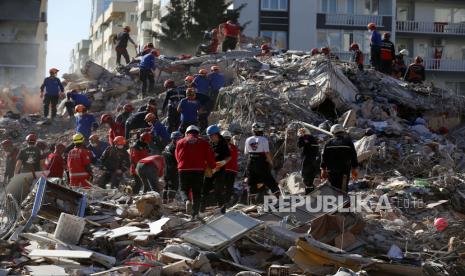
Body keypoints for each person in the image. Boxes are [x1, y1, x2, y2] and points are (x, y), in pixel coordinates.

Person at [175, 125, 216, 219]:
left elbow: (177, 156)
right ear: (198, 133)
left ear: (187, 133)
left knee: (183, 189)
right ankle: (195, 214)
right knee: (197, 192)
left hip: (183, 169)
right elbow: (210, 157)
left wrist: (181, 165)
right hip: (198, 170)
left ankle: (186, 201)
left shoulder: (180, 142)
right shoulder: (204, 142)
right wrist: (212, 166)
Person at [244, 123, 280, 203]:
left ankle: (252, 204)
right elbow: (267, 153)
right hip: (261, 162)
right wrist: (271, 163)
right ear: (261, 130)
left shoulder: (248, 139)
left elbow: (246, 153)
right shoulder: (263, 139)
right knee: (269, 180)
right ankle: (279, 199)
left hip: (250, 162)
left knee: (251, 182)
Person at [201, 125, 231, 214]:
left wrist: (221, 164)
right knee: (205, 188)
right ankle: (200, 210)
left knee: (218, 189)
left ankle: (222, 210)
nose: (210, 138)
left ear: (216, 134)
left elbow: (229, 157)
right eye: (209, 136)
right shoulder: (211, 143)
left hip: (219, 170)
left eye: (211, 136)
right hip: (210, 169)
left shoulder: (223, 143)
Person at [320, 124, 358, 192]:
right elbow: (353, 156)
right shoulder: (348, 142)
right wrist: (354, 169)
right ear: (343, 132)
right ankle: (343, 201)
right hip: (344, 171)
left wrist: (323, 170)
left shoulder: (328, 143)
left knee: (333, 190)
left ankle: (336, 202)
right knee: (343, 191)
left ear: (332, 132)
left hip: (331, 172)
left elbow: (324, 157)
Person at [297, 128, 319, 194]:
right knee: (311, 174)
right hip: (314, 159)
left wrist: (301, 138)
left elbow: (299, 145)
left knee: (305, 174)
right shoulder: (313, 138)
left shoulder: (304, 137)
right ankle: (312, 189)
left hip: (307, 158)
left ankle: (308, 190)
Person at [162, 131, 183, 201]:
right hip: (173, 168)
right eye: (179, 138)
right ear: (175, 139)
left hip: (166, 168)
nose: (180, 140)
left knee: (166, 184)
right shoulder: (175, 147)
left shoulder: (167, 146)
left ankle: (164, 200)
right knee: (174, 185)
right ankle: (170, 201)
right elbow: (178, 158)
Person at [222, 131, 239, 206]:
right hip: (233, 170)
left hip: (223, 169)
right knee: (229, 186)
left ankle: (222, 203)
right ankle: (227, 202)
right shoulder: (234, 147)